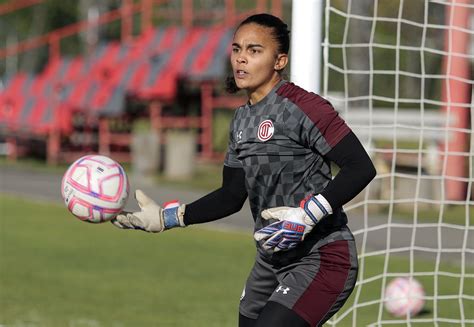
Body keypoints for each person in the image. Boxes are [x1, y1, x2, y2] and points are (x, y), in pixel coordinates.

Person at [112, 13, 376, 327]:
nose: (241, 59)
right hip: (270, 259)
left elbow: (360, 167)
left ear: (279, 61)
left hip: (322, 256)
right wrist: (167, 217)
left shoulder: (305, 107)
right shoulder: (241, 120)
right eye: (237, 49)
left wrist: (308, 215)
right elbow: (231, 194)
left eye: (254, 50)